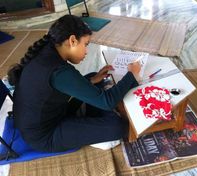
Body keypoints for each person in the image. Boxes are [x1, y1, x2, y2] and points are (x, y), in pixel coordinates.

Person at [7, 15, 141, 153]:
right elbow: (108, 102)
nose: (86, 51)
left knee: (92, 78)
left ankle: (93, 119)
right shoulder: (59, 72)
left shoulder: (48, 50)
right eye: (86, 44)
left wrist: (93, 80)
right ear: (72, 41)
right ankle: (95, 122)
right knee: (119, 127)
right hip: (45, 135)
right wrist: (131, 74)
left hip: (44, 116)